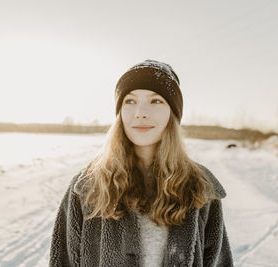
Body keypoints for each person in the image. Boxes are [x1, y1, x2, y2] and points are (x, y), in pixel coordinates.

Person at [49, 59, 233, 267]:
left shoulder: (200, 187)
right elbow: (62, 261)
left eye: (155, 101)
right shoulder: (87, 187)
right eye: (130, 101)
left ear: (172, 113)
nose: (141, 113)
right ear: (120, 113)